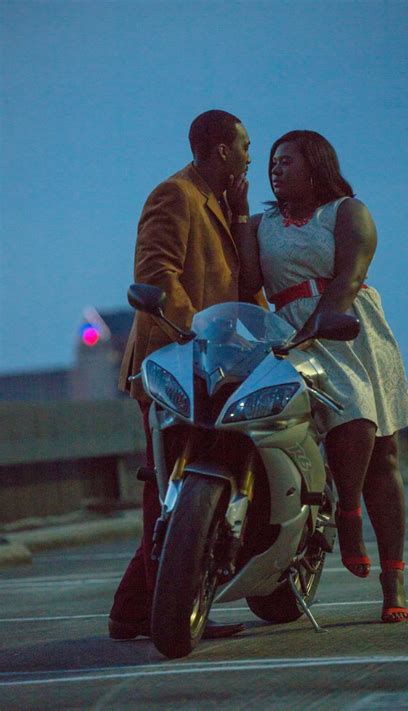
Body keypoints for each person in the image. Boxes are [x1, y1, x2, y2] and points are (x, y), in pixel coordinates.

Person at [238, 130, 408, 623]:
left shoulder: (347, 211)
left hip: (347, 324)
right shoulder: (259, 224)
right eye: (272, 162)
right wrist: (237, 215)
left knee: (380, 446)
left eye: (286, 161)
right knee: (338, 419)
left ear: (315, 165)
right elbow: (250, 284)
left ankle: (390, 573)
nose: (275, 169)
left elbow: (350, 276)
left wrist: (323, 328)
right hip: (288, 331)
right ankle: (344, 511)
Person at [109, 110, 254, 641]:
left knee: (186, 492)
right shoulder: (175, 195)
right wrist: (197, 334)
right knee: (169, 489)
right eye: (243, 145)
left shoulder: (218, 203)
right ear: (220, 149)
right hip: (173, 361)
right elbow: (155, 273)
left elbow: (240, 286)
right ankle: (165, 608)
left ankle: (133, 609)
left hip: (212, 367)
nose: (249, 156)